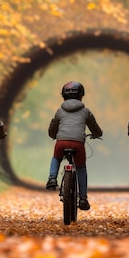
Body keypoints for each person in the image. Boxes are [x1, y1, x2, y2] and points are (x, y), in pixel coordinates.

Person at [45, 81, 103, 211]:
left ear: (63, 96)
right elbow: (94, 127)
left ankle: (52, 178)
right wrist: (97, 134)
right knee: (81, 168)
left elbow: (53, 127)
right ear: (81, 95)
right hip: (78, 144)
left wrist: (53, 134)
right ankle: (83, 197)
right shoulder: (85, 111)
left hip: (61, 142)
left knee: (56, 158)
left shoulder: (59, 111)